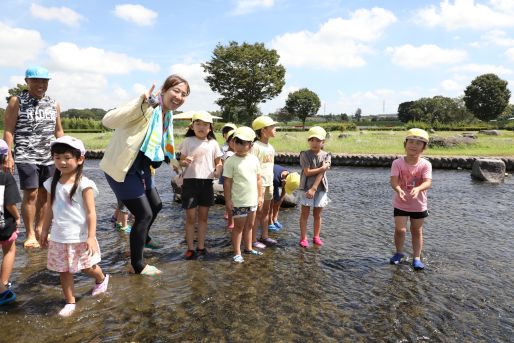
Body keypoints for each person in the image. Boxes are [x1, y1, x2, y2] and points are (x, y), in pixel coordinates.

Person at [101, 74, 190, 275]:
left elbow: (163, 145)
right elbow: (108, 120)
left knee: (156, 205)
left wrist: (175, 162)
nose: (179, 96)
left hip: (142, 168)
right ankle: (137, 265)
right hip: (123, 168)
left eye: (184, 94)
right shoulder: (148, 107)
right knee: (144, 213)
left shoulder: (167, 116)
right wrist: (142, 104)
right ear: (164, 90)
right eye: (176, 90)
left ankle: (144, 239)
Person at [39, 136, 109, 317]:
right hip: (59, 236)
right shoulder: (51, 183)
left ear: (80, 159)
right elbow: (49, 210)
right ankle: (70, 301)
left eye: (67, 157)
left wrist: (91, 236)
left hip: (80, 236)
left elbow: (91, 213)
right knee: (63, 270)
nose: (62, 162)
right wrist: (44, 229)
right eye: (57, 157)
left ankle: (101, 279)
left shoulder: (84, 184)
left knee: (87, 267)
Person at [2, 66, 64, 248]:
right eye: (36, 80)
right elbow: (8, 130)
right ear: (27, 81)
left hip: (49, 156)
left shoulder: (54, 103)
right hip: (26, 155)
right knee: (31, 194)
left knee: (45, 195)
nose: (40, 84)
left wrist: (69, 152)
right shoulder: (17, 101)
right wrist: (8, 156)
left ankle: (40, 229)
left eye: (44, 81)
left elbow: (58, 130)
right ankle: (29, 235)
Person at [179, 112, 223, 259]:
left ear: (210, 128)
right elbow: (180, 161)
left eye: (205, 124)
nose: (201, 127)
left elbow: (219, 162)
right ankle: (190, 248)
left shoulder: (213, 143)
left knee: (203, 217)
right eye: (198, 124)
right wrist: (184, 162)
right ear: (192, 126)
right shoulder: (187, 141)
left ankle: (201, 246)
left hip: (207, 182)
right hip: (190, 181)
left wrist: (218, 170)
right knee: (191, 217)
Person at [389, 128, 432, 270]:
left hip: (418, 204)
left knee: (416, 230)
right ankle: (399, 253)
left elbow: (428, 182)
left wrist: (419, 188)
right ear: (405, 144)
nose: (414, 145)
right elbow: (394, 181)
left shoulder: (425, 164)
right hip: (401, 203)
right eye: (411, 142)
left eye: (419, 143)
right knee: (400, 230)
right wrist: (398, 189)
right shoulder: (397, 163)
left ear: (424, 148)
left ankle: (417, 257)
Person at [223, 127, 263, 263]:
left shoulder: (254, 160)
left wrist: (260, 196)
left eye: (243, 143)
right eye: (237, 142)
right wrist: (228, 200)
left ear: (251, 145)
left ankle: (248, 248)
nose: (239, 146)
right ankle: (237, 252)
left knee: (250, 225)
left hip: (252, 200)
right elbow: (227, 183)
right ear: (233, 143)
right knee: (238, 227)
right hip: (238, 201)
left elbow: (259, 179)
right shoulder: (231, 161)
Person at [298, 126, 331, 248]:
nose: (314, 143)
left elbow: (322, 173)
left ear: (323, 142)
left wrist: (314, 188)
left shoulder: (327, 155)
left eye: (318, 140)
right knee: (304, 214)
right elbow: (307, 172)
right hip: (306, 187)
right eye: (312, 140)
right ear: (308, 141)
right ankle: (303, 238)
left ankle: (316, 236)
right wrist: (322, 168)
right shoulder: (304, 154)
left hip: (320, 188)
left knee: (317, 215)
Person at [250, 116, 278, 249]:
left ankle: (265, 236)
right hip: (259, 184)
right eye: (272, 127)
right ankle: (253, 239)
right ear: (263, 130)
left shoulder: (271, 147)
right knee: (257, 212)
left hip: (269, 183)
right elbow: (253, 168)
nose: (275, 129)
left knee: (266, 211)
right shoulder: (255, 146)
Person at [0, 139, 22, 306]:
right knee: (9, 250)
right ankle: (4, 284)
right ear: (4, 158)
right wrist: (17, 217)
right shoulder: (6, 178)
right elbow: (10, 204)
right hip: (4, 224)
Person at [268, 166, 300, 232]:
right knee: (272, 203)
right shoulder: (275, 179)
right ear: (284, 181)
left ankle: (275, 219)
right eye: (285, 185)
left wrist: (281, 199)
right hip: (269, 181)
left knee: (278, 202)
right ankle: (269, 221)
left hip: (278, 181)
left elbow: (284, 190)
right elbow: (271, 201)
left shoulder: (289, 176)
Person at [219, 129, 236, 229]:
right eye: (233, 141)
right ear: (229, 142)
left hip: (234, 182)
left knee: (231, 202)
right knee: (230, 202)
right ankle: (231, 221)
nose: (235, 143)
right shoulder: (229, 154)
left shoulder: (233, 154)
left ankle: (231, 220)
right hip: (230, 182)